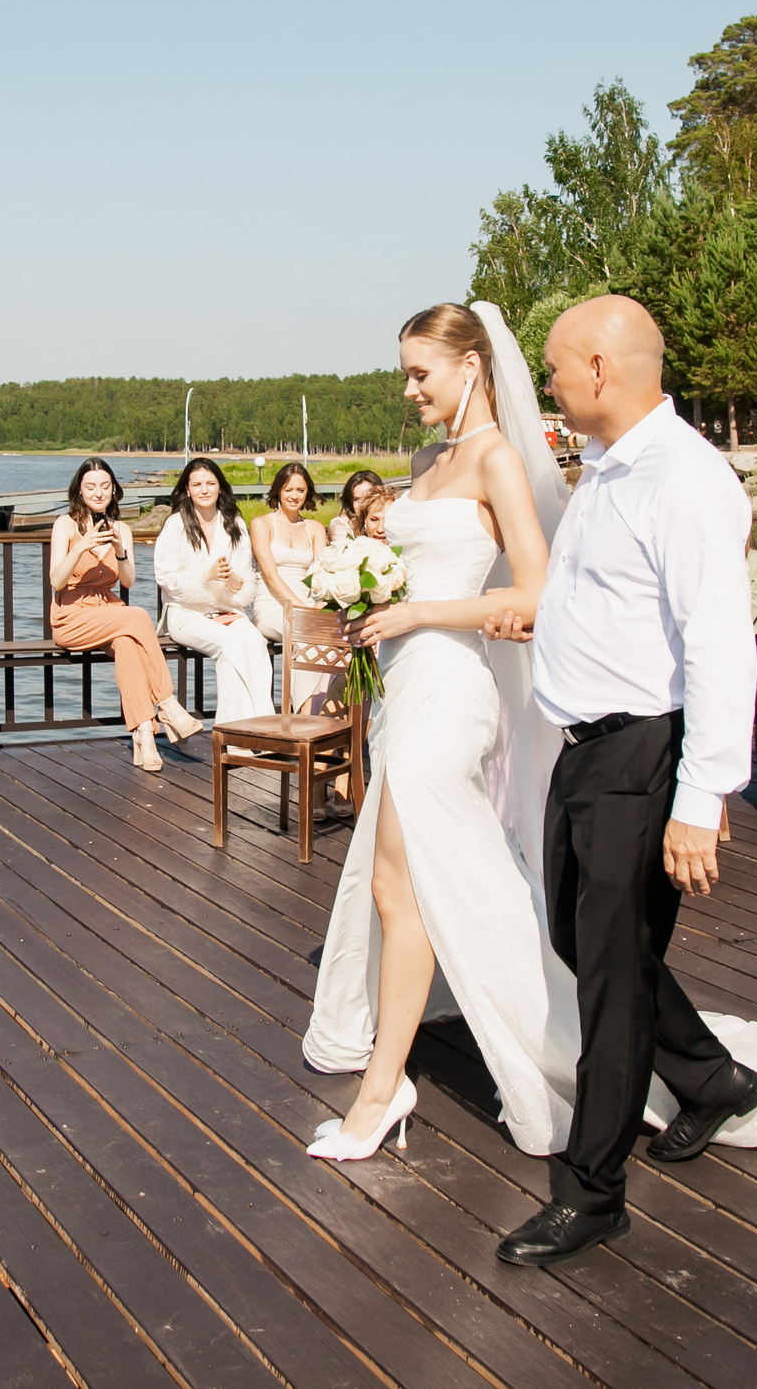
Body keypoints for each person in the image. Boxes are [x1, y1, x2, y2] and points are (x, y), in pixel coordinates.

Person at [489, 295, 757, 1269]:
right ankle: (713, 1080)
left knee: (612, 977)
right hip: (582, 749)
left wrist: (699, 802)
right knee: (581, 941)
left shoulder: (685, 479)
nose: (549, 383)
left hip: (638, 757)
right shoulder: (607, 465)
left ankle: (592, 1191)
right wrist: (541, 623)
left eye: (556, 366)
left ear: (600, 369)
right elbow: (607, 598)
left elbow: (718, 645)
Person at [303, 302, 570, 1175]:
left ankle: (383, 1088)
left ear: (471, 365)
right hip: (403, 685)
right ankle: (406, 1068)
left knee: (397, 881)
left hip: (454, 687)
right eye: (407, 373)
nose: (409, 389)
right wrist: (368, 595)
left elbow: (533, 594)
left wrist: (417, 612)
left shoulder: (498, 459)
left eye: (421, 372)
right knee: (407, 881)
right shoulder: (426, 464)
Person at [49, 457, 200, 770]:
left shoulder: (121, 529)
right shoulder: (65, 524)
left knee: (128, 645)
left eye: (105, 486)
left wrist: (119, 550)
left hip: (109, 612)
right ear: (79, 490)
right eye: (91, 486)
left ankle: (144, 734)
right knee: (138, 615)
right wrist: (80, 547)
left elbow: (128, 580)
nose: (99, 492)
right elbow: (56, 581)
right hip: (71, 615)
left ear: (114, 490)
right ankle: (168, 703)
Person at [155, 458, 275, 724]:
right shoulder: (175, 524)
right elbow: (164, 577)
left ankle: (263, 726)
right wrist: (204, 577)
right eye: (197, 484)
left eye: (210, 483)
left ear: (220, 487)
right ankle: (233, 732)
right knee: (231, 645)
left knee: (256, 643)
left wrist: (232, 580)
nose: (204, 490)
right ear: (187, 489)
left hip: (225, 608)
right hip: (185, 612)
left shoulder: (234, 524)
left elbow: (244, 582)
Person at [250, 462, 329, 643]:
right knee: (304, 635)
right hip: (271, 607)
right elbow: (271, 576)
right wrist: (304, 612)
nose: (294, 496)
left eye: (300, 490)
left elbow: (322, 574)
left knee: (339, 637)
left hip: (308, 605)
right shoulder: (261, 524)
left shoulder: (315, 528)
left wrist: (323, 605)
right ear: (279, 491)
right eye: (288, 490)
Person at [327, 469, 385, 543]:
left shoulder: (388, 520)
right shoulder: (340, 525)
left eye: (367, 498)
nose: (362, 504)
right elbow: (343, 547)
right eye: (357, 499)